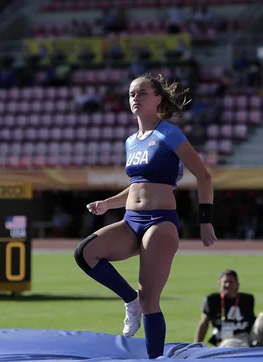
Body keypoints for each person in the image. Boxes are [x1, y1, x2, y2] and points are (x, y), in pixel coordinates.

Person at [73, 73, 217, 359]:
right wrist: (107, 203)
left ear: (157, 99)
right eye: (131, 94)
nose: (135, 99)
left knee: (151, 298)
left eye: (141, 93)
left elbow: (203, 176)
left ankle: (155, 358)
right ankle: (130, 300)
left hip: (160, 222)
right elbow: (135, 186)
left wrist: (205, 219)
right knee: (85, 253)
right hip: (130, 221)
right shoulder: (131, 142)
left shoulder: (169, 134)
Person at [193, 269, 263, 348]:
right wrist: (196, 345)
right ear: (219, 284)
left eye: (231, 282)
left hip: (249, 338)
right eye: (225, 282)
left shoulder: (247, 299)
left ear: (237, 284)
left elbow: (252, 319)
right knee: (230, 344)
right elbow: (203, 324)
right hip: (226, 341)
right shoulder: (212, 300)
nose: (227, 284)